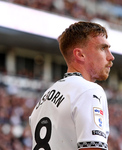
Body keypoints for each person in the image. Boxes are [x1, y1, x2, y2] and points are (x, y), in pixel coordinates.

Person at [29, 21, 115, 150]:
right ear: (80, 54)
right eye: (103, 48)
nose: (111, 57)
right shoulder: (89, 90)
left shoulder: (44, 98)